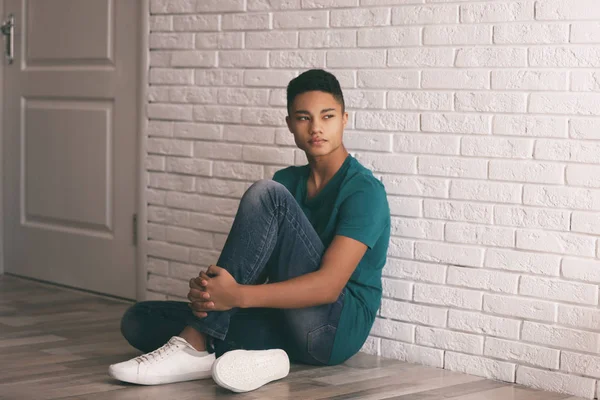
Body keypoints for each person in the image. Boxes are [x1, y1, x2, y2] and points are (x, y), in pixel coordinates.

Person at [108, 69, 391, 393]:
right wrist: (211, 294)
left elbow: (328, 287)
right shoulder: (289, 179)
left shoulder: (363, 191)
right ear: (289, 125)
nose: (316, 128)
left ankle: (197, 344)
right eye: (303, 118)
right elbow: (254, 265)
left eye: (327, 116)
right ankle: (271, 359)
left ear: (344, 119)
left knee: (266, 194)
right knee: (140, 319)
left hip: (331, 331)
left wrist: (236, 296)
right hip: (286, 321)